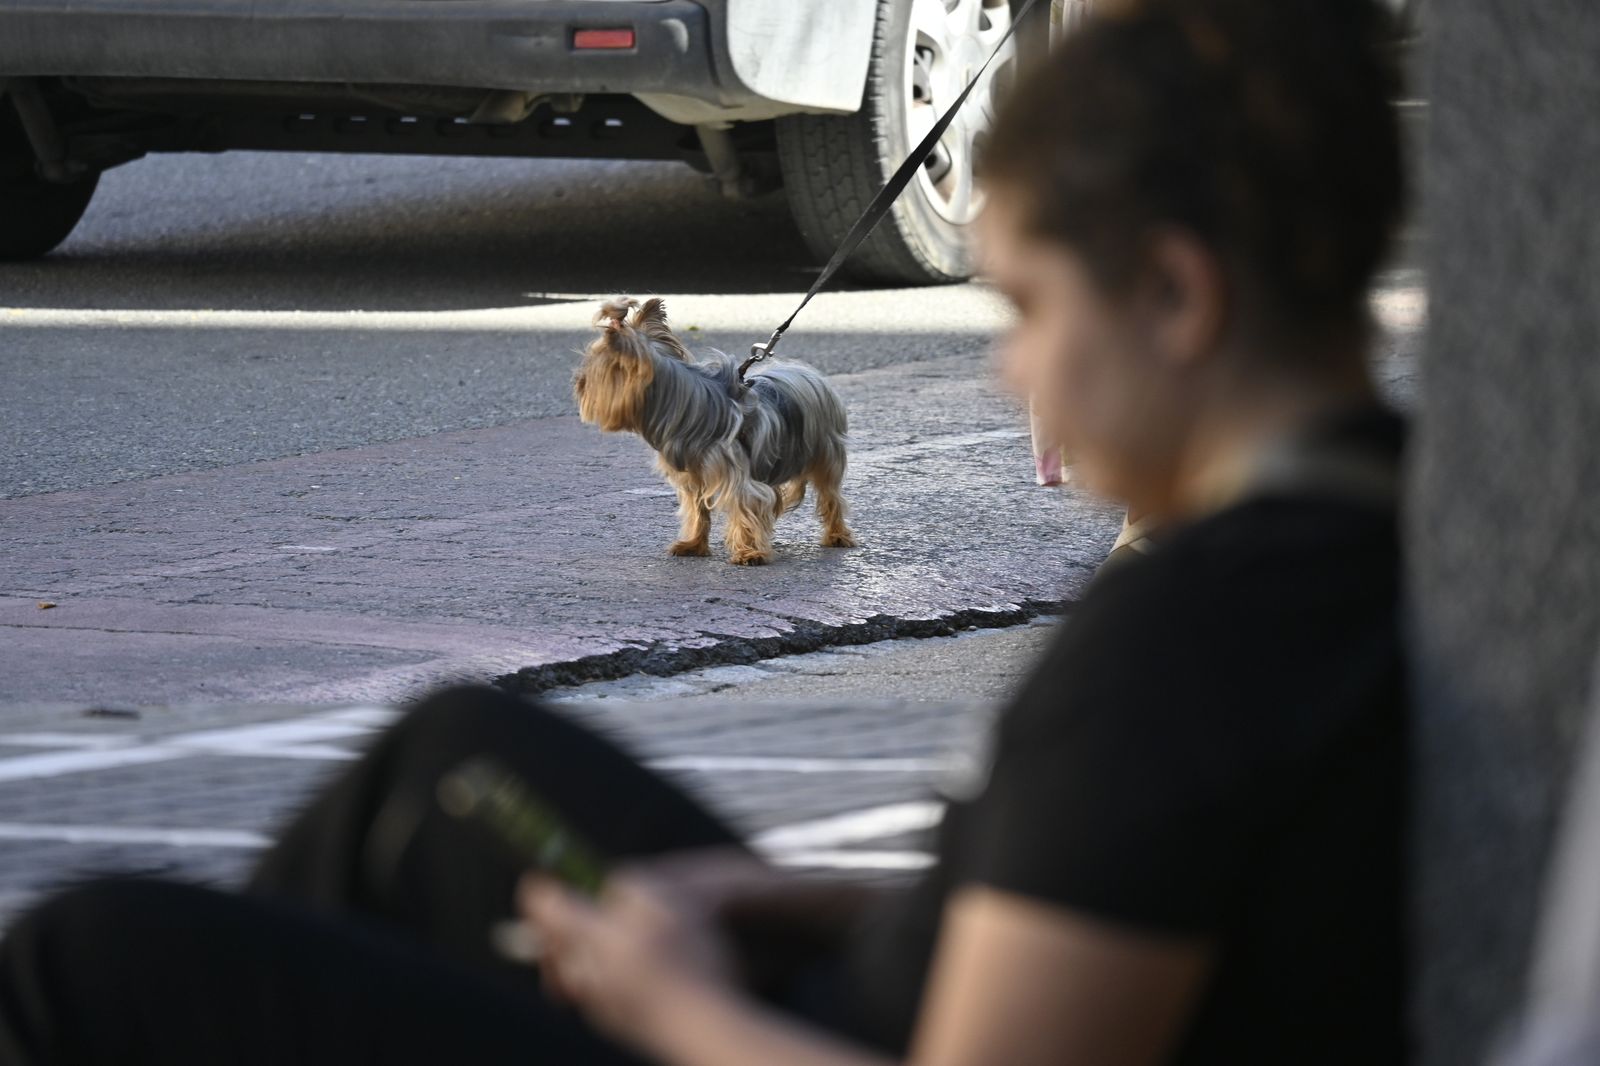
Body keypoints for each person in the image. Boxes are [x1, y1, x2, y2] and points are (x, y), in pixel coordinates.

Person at [0, 1, 1411, 1063]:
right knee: (450, 760)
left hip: (792, 1037)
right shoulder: (1388, 531)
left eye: (1033, 308)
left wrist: (666, 991)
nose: (1009, 370)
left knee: (98, 947)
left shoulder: (1180, 650)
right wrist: (778, 893)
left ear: (1175, 295)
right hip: (873, 980)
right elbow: (1095, 909)